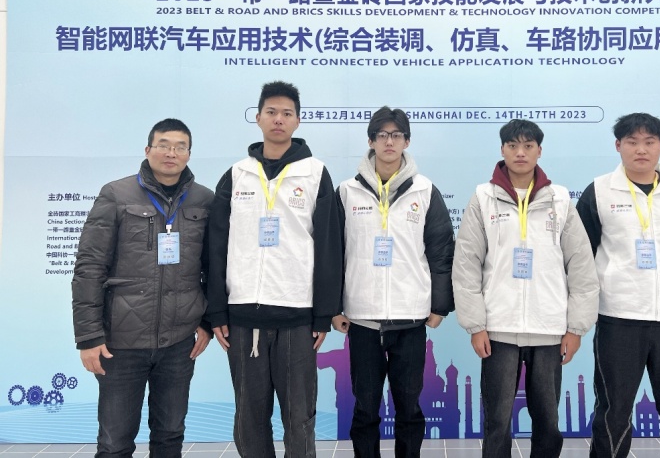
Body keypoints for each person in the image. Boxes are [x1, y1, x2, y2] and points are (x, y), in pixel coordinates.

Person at [206, 81, 343, 458]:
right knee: (249, 418)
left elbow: (329, 247)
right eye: (271, 112)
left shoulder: (315, 174)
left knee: (299, 418)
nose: (278, 119)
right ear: (258, 118)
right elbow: (215, 246)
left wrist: (323, 314)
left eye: (286, 113)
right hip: (243, 316)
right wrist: (217, 310)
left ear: (297, 120)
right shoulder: (237, 174)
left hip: (298, 318)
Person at [452, 119, 599, 458]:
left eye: (528, 146)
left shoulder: (559, 199)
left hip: (549, 328)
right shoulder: (483, 198)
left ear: (539, 151)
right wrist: (476, 325)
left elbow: (581, 266)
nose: (520, 153)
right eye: (513, 146)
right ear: (502, 150)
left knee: (547, 420)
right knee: (497, 420)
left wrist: (576, 328)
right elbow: (467, 264)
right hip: (498, 329)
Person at [72, 118, 214, 458]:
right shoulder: (116, 194)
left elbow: (215, 267)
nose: (171, 153)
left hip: (178, 343)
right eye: (164, 145)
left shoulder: (204, 200)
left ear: (189, 154)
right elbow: (89, 267)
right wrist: (88, 336)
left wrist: (208, 321)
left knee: (170, 436)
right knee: (114, 442)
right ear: (148, 149)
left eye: (180, 147)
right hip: (121, 344)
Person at [576, 113, 660, 458]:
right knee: (613, 411)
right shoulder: (599, 191)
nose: (640, 149)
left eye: (649, 142)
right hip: (619, 317)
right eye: (632, 142)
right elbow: (583, 254)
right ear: (618, 146)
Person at [334, 106, 455, 457]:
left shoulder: (425, 191)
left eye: (397, 135)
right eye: (382, 135)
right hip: (362, 319)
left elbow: (440, 251)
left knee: (409, 408)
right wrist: (334, 308)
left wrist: (439, 306)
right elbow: (334, 254)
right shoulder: (347, 192)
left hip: (410, 318)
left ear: (407, 141)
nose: (389, 141)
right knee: (365, 408)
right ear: (371, 141)